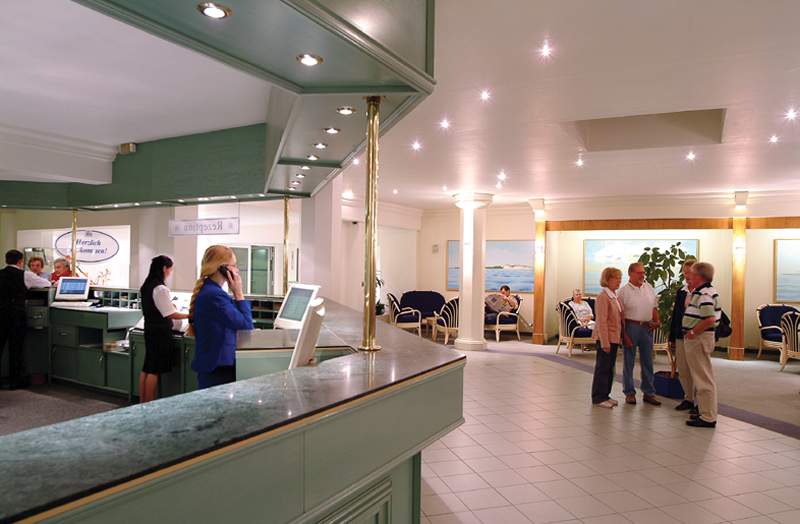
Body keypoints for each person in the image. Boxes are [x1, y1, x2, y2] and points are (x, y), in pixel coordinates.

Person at [189, 245, 253, 389]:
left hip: (214, 365)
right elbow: (246, 326)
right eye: (234, 266)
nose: (237, 270)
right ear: (223, 268)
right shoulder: (215, 295)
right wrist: (238, 293)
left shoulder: (210, 291)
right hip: (217, 369)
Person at [139, 255, 189, 403]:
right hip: (160, 332)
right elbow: (170, 314)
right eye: (170, 270)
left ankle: (142, 402)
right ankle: (149, 404)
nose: (170, 273)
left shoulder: (146, 285)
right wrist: (189, 315)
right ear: (164, 268)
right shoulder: (160, 288)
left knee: (147, 367)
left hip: (150, 329)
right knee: (155, 370)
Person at [0, 250, 50, 389]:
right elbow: (46, 284)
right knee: (16, 348)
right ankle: (15, 381)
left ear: (6, 260)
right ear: (20, 261)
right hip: (16, 314)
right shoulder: (25, 275)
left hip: (1, 314)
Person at [682, 262, 721, 428]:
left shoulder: (704, 294)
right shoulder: (702, 291)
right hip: (699, 338)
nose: (688, 276)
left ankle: (708, 417)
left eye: (691, 273)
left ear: (699, 276)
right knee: (702, 376)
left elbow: (709, 319)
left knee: (703, 378)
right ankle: (706, 412)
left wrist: (693, 332)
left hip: (699, 339)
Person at [617, 262, 662, 406]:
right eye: (639, 272)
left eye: (643, 272)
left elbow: (654, 307)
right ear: (630, 273)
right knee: (629, 362)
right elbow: (620, 315)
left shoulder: (649, 288)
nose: (642, 275)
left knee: (648, 361)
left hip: (647, 327)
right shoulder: (623, 292)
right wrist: (624, 335)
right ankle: (629, 393)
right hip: (631, 327)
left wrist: (657, 321)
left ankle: (649, 393)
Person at [591, 268, 624, 408]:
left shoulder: (614, 296)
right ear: (608, 279)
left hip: (614, 338)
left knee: (610, 369)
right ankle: (598, 397)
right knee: (603, 368)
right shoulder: (603, 297)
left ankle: (605, 395)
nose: (619, 281)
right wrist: (605, 342)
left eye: (620, 278)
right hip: (606, 339)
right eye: (616, 278)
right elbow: (601, 321)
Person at [669, 260, 698, 413]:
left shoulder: (703, 291)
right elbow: (676, 315)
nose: (686, 275)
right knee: (683, 368)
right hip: (682, 335)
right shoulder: (682, 291)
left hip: (697, 336)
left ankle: (700, 402)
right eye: (684, 272)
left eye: (689, 272)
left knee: (697, 370)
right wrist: (672, 337)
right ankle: (688, 398)